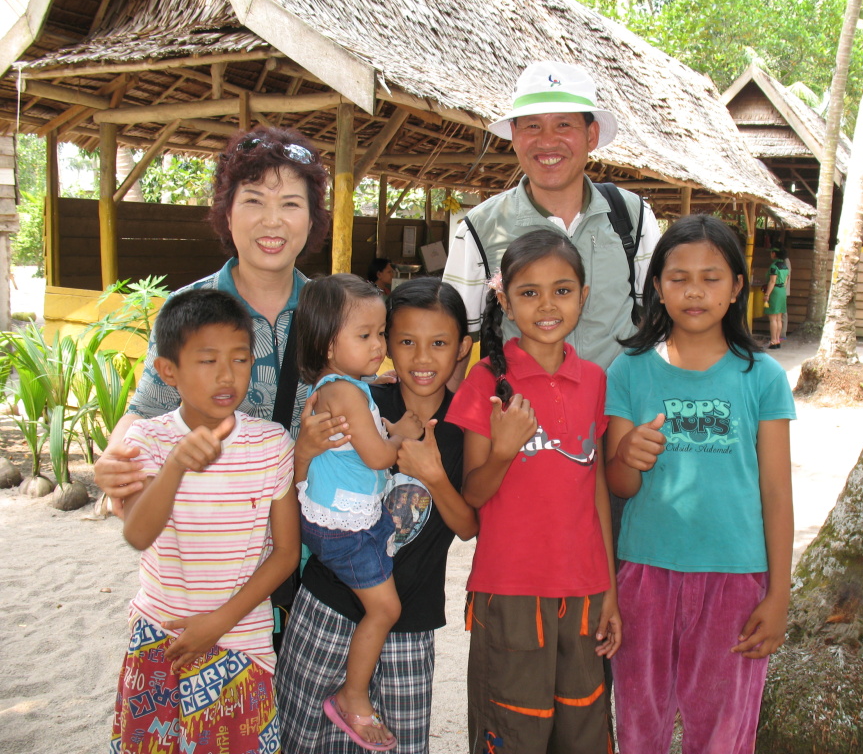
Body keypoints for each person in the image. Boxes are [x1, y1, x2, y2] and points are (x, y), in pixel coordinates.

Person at [604, 215, 795, 754]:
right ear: (657, 288)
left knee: (723, 729)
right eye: (678, 277)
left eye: (711, 277)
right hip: (646, 574)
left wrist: (779, 594)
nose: (694, 290)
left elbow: (777, 494)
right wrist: (627, 454)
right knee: (640, 724)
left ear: (737, 287)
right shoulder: (630, 370)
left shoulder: (762, 376)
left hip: (736, 579)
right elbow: (619, 485)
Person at [277, 278, 478, 754]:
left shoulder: (462, 429)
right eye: (404, 341)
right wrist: (302, 452)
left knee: (402, 745)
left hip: (410, 618)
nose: (421, 358)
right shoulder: (365, 400)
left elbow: (469, 526)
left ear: (462, 348)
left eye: (439, 344)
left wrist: (435, 476)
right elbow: (298, 486)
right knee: (302, 736)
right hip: (329, 605)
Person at [94, 125, 340, 508]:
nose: (271, 221)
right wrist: (114, 457)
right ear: (227, 215)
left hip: (315, 534)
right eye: (254, 201)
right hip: (219, 530)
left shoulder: (333, 311)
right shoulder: (187, 309)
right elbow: (145, 412)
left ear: (311, 221)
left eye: (290, 204)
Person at [448, 230, 621, 753]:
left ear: (584, 296)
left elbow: (594, 492)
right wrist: (502, 451)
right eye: (529, 293)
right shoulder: (487, 381)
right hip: (513, 593)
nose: (547, 305)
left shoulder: (594, 379)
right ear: (505, 301)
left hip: (586, 592)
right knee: (514, 730)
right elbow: (473, 495)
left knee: (584, 732)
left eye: (562, 290)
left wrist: (609, 590)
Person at [111, 289, 300, 754]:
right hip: (161, 637)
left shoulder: (270, 443)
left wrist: (219, 622)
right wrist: (176, 464)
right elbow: (138, 533)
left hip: (242, 641)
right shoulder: (148, 440)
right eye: (207, 360)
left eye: (239, 360)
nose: (226, 375)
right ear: (168, 370)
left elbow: (285, 552)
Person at [443, 60, 660, 378]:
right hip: (522, 421)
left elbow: (661, 322)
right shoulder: (478, 229)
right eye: (532, 126)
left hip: (619, 421)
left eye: (563, 125)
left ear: (591, 134)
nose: (547, 141)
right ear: (514, 136)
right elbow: (453, 341)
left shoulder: (633, 217)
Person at [291, 273, 426, 751]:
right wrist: (403, 434)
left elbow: (362, 424)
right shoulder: (344, 391)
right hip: (341, 526)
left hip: (344, 515)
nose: (379, 345)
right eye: (365, 336)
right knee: (385, 608)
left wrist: (379, 394)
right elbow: (377, 456)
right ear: (329, 345)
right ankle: (351, 695)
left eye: (380, 333)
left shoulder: (348, 386)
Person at [763, 247, 790, 349]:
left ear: (774, 254)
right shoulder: (785, 267)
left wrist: (767, 295)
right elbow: (786, 282)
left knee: (773, 319)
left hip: (775, 292)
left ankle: (773, 341)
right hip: (782, 291)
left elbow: (772, 282)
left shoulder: (774, 267)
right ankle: (777, 340)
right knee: (779, 318)